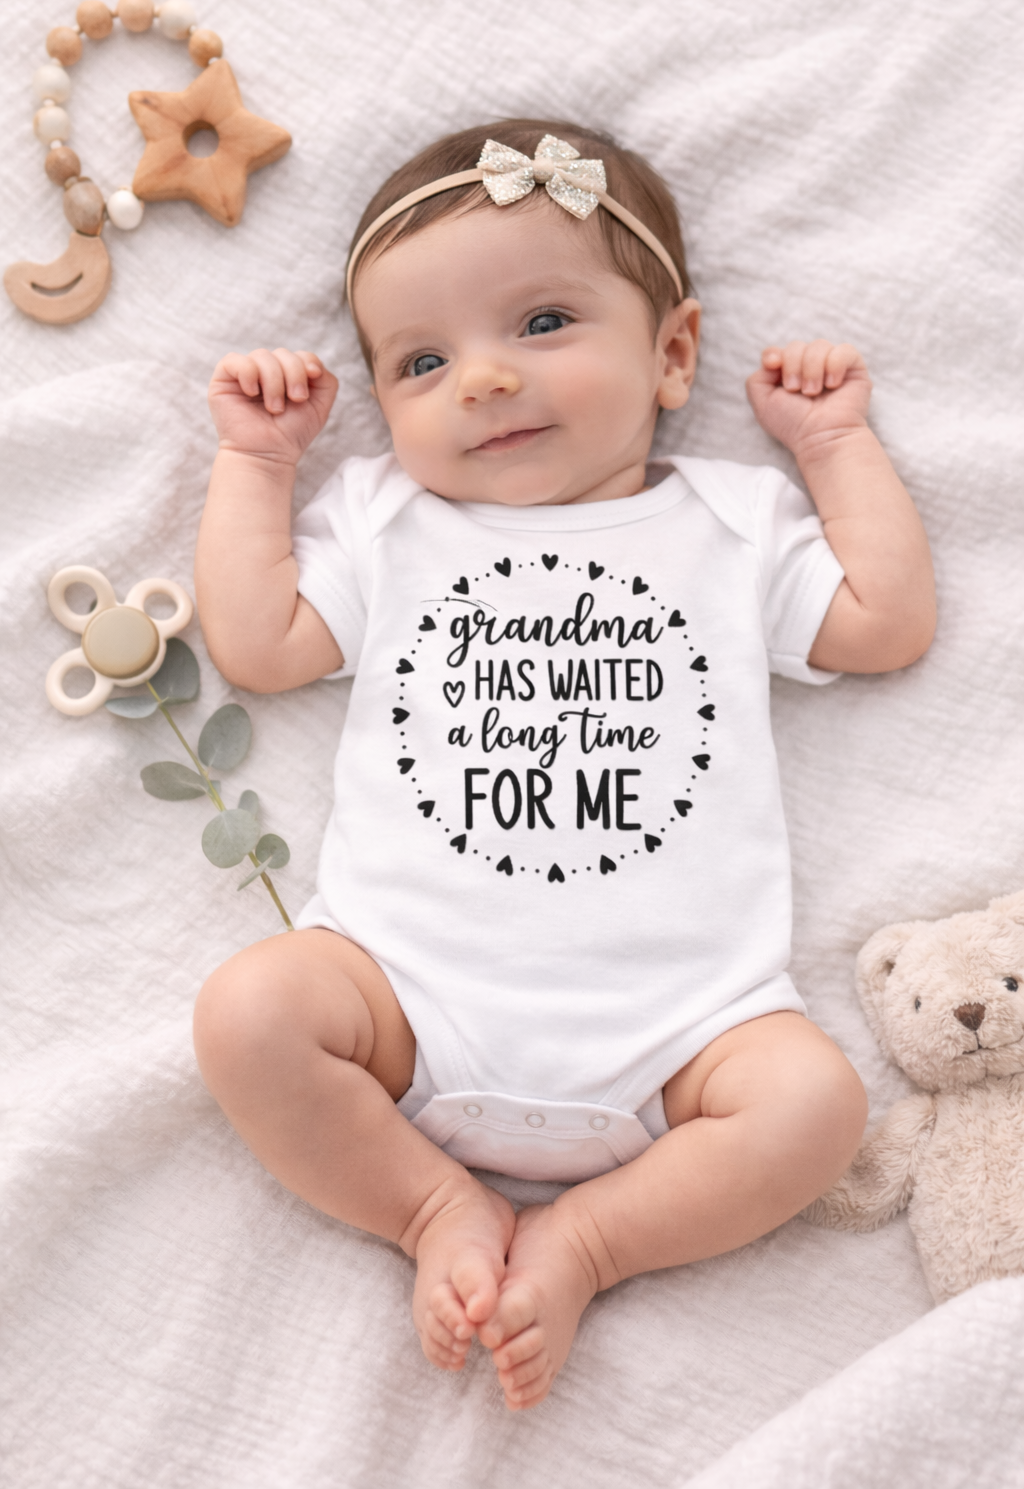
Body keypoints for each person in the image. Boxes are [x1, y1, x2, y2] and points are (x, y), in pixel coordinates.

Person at [192, 120, 936, 1410]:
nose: (481, 379)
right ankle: (435, 1209)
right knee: (250, 1014)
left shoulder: (728, 524)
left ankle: (589, 1242)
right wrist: (258, 466)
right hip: (403, 1000)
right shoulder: (391, 519)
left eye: (540, 323)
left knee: (815, 1109)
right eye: (422, 361)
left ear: (674, 354)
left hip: (687, 1037)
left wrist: (832, 449)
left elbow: (885, 621)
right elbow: (259, 646)